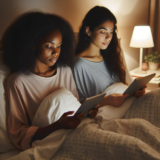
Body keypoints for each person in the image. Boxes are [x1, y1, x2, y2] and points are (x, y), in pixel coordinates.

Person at [1, 12, 87, 151]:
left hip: (75, 132)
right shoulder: (18, 82)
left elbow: (74, 108)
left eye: (59, 45)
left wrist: (86, 112)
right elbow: (19, 134)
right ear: (33, 46)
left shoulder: (65, 71)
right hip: (50, 140)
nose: (56, 52)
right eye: (49, 46)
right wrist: (58, 125)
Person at [72, 6, 146, 106]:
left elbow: (124, 87)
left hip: (127, 104)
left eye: (111, 32)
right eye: (103, 32)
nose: (108, 37)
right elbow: (78, 105)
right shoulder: (79, 65)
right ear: (88, 31)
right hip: (106, 113)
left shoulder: (111, 56)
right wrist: (105, 101)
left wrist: (136, 93)